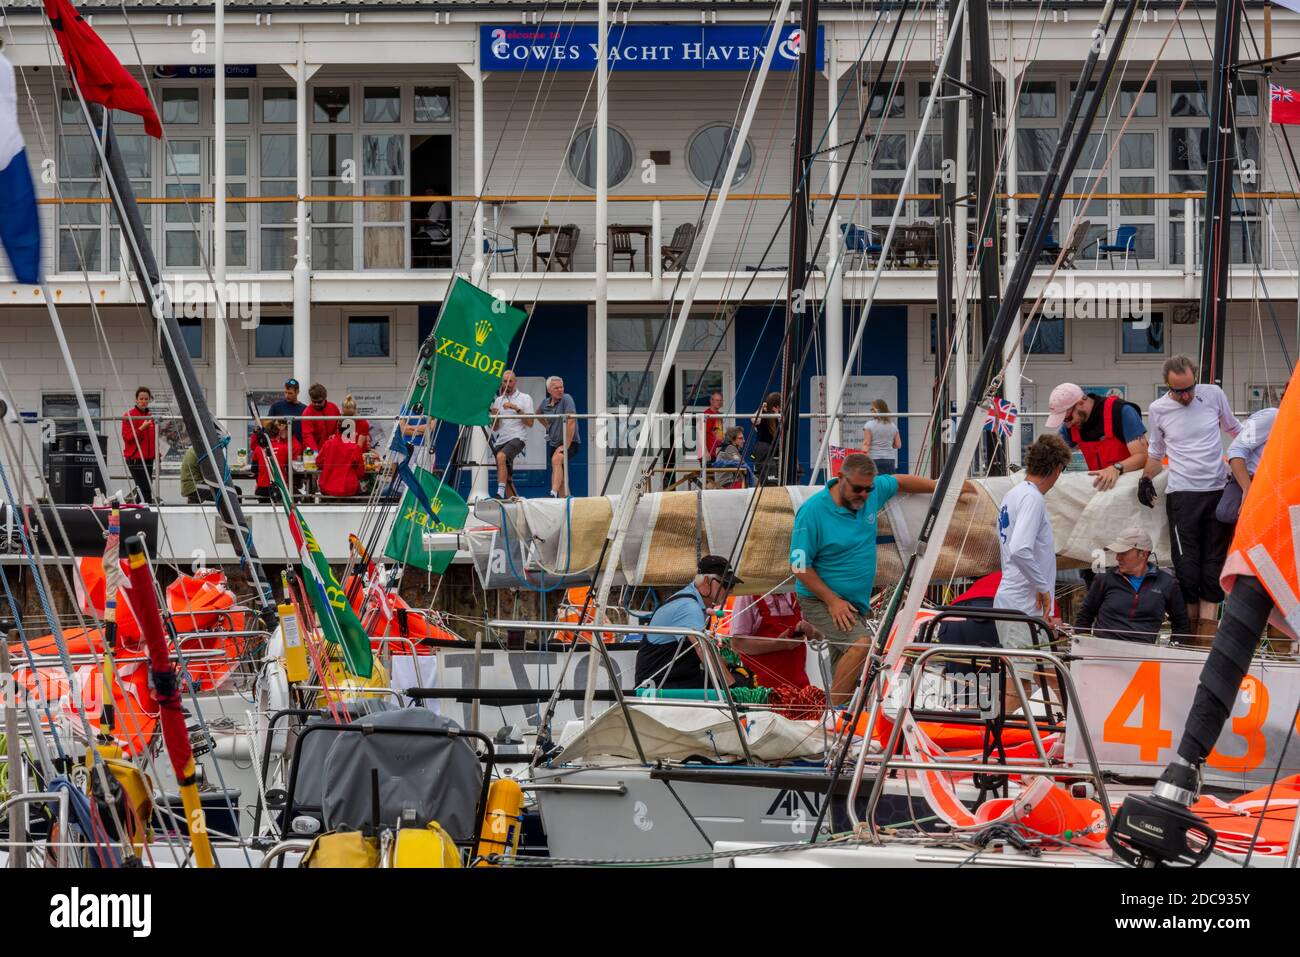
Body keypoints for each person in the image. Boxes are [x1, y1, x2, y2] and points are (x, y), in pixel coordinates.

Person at [791, 452, 972, 699]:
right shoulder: (812, 512)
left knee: (850, 667)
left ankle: (838, 720)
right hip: (821, 600)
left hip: (855, 604)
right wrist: (833, 601)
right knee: (861, 646)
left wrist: (943, 487)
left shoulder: (870, 494)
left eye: (868, 489)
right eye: (857, 489)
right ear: (840, 478)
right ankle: (827, 716)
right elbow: (799, 565)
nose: (864, 495)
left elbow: (899, 482)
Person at [1140, 355, 1242, 645]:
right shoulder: (1159, 409)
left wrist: (1255, 456)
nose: (1185, 396)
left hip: (1217, 489)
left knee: (1213, 564)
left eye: (1189, 389)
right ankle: (1187, 635)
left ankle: (1205, 639)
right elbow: (1156, 452)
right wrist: (1145, 479)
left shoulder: (1212, 395)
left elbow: (1234, 429)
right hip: (1183, 493)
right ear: (1167, 386)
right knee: (1186, 567)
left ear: (1196, 380)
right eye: (1178, 391)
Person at [993, 434, 1073, 658]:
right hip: (1022, 604)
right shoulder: (1032, 498)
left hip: (1022, 601)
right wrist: (1043, 587)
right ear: (1057, 468)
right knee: (1019, 680)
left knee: (1048, 675)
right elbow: (1020, 549)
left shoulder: (1013, 494)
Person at [633, 555, 741, 690]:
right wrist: (735, 688)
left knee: (741, 676)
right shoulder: (688, 606)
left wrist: (730, 667)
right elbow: (703, 650)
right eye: (726, 584)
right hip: (658, 685)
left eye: (732, 585)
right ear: (706, 581)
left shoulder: (694, 600)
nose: (731, 590)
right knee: (740, 684)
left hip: (681, 677)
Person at [1075, 526, 1190, 643]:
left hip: (1143, 656)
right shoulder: (1104, 578)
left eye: (1123, 553)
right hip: (1102, 653)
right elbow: (1085, 615)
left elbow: (1181, 623)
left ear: (1143, 554)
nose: (1117, 557)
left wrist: (1173, 651)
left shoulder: (1168, 583)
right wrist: (1083, 646)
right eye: (1117, 553)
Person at [1045, 382, 1148, 491]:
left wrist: (1116, 468)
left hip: (1130, 487)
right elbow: (1053, 457)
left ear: (1080, 403)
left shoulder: (1121, 412)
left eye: (1068, 419)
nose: (1068, 425)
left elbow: (1142, 456)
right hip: (1100, 489)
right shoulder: (1070, 426)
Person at [728, 593, 820, 689]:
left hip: (799, 686)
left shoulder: (796, 592)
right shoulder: (747, 596)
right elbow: (737, 644)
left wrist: (812, 631)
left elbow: (820, 636)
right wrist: (778, 645)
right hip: (763, 690)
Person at [1222, 399, 1279, 523]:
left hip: (1278, 485)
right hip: (1252, 480)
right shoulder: (1273, 416)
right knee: (1229, 513)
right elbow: (1236, 450)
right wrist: (1247, 488)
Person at [489, 370, 535, 499]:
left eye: (510, 381)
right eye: (504, 381)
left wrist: (516, 408)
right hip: (501, 439)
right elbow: (496, 428)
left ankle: (499, 493)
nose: (507, 384)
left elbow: (530, 423)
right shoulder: (498, 400)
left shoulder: (525, 398)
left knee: (501, 457)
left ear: (515, 382)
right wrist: (494, 417)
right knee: (507, 477)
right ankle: (514, 501)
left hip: (518, 437)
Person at [538, 375, 579, 498]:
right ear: (549, 390)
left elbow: (571, 421)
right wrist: (547, 426)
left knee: (556, 460)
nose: (560, 390)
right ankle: (565, 502)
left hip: (571, 442)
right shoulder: (545, 403)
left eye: (561, 387)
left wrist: (565, 445)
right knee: (560, 475)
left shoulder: (567, 398)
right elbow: (537, 414)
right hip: (554, 443)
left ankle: (553, 493)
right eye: (556, 388)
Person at [121, 386, 156, 504]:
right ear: (136, 400)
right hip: (135, 458)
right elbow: (127, 437)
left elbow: (152, 439)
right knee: (144, 488)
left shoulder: (150, 416)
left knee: (146, 488)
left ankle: (141, 510)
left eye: (146, 399)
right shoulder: (129, 415)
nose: (144, 401)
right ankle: (144, 511)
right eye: (141, 398)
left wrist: (157, 455)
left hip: (148, 459)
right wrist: (141, 428)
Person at [255, 420, 301, 501]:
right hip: (279, 486)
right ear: (278, 434)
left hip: (262, 488)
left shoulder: (259, 448)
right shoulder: (284, 448)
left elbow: (253, 469)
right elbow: (289, 467)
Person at [317, 430, 366, 497]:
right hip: (349, 489)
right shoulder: (355, 447)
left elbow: (319, 462)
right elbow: (360, 473)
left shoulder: (328, 444)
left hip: (327, 488)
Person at [750, 392, 782, 484]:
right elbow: (754, 420)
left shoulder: (779, 416)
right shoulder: (763, 414)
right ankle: (769, 481)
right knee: (764, 450)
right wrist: (761, 408)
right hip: (763, 449)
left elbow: (784, 428)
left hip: (774, 448)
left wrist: (777, 415)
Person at [863, 399, 901, 475]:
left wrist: (861, 457)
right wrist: (889, 444)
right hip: (889, 460)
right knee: (889, 484)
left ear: (876, 411)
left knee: (875, 484)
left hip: (874, 460)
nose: (871, 411)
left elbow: (866, 444)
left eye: (872, 409)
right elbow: (898, 445)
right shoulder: (893, 426)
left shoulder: (869, 425)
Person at [302, 383, 341, 454]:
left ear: (325, 398)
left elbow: (339, 426)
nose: (316, 404)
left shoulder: (333, 408)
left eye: (319, 402)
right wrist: (315, 452)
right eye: (314, 402)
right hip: (315, 451)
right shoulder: (307, 413)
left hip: (333, 449)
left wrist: (336, 436)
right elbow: (307, 436)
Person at [267, 379, 307, 443]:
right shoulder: (276, 406)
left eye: (290, 393)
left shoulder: (304, 409)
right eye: (285, 392)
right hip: (280, 446)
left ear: (297, 392)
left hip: (299, 446)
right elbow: (268, 426)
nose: (287, 395)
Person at [702, 390, 726, 462]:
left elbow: (719, 433)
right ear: (711, 401)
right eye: (717, 400)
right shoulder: (707, 415)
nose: (719, 402)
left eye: (720, 400)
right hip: (709, 453)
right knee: (709, 473)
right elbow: (701, 435)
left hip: (717, 453)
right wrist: (705, 452)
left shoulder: (719, 415)